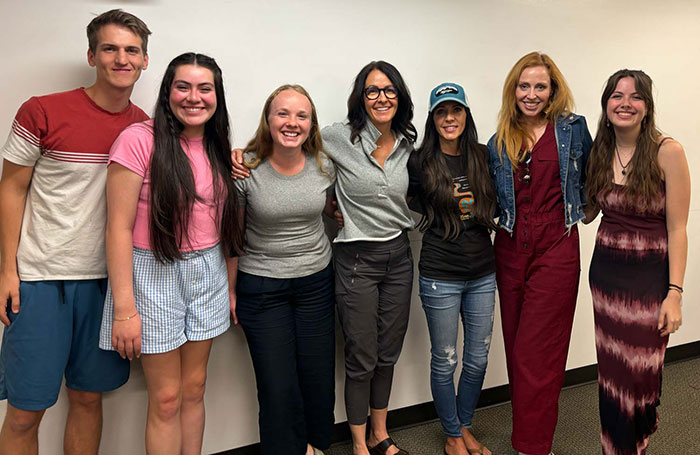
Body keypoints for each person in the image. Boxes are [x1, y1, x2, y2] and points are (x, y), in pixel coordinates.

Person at [0, 9, 150, 454]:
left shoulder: (144, 127)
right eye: (110, 48)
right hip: (40, 280)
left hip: (107, 285)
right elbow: (11, 189)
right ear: (92, 55)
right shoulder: (42, 110)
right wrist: (7, 271)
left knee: (88, 398)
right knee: (26, 410)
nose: (121, 58)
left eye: (131, 50)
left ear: (145, 61)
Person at [98, 53, 244, 454]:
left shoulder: (218, 147)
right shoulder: (138, 140)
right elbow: (117, 228)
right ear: (168, 92)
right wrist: (124, 309)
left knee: (195, 388)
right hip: (153, 272)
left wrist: (229, 289)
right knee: (165, 398)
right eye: (183, 87)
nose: (193, 97)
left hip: (209, 271)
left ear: (217, 96)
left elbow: (224, 225)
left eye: (204, 88)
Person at [487, 51, 592, 455]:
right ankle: (525, 439)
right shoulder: (500, 138)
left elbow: (599, 172)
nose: (531, 94)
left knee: (539, 351)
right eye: (524, 86)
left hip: (556, 246)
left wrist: (593, 209)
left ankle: (533, 447)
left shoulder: (571, 130)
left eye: (540, 86)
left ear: (553, 91)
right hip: (510, 247)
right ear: (514, 90)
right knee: (516, 348)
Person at [584, 69, 689, 455]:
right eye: (616, 95)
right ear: (606, 104)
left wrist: (674, 293)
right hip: (606, 283)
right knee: (613, 378)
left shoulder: (668, 151)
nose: (625, 103)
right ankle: (617, 448)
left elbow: (678, 229)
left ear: (647, 107)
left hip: (649, 286)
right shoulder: (598, 149)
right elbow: (588, 211)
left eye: (635, 96)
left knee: (642, 378)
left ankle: (637, 437)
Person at [232, 84, 336, 455]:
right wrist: (230, 291)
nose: (292, 122)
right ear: (268, 119)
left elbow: (329, 208)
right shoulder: (246, 168)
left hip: (316, 283)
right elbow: (233, 237)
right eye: (283, 113)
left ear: (311, 124)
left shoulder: (324, 165)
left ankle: (315, 446)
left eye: (301, 115)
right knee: (277, 384)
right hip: (262, 287)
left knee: (317, 376)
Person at [322, 61, 417, 455]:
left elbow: (415, 196)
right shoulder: (336, 137)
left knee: (387, 353)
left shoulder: (406, 143)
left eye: (390, 90)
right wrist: (249, 157)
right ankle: (359, 443)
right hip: (357, 259)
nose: (382, 98)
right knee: (362, 357)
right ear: (361, 98)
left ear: (400, 97)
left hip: (399, 256)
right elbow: (292, 153)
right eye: (373, 90)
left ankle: (381, 433)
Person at [408, 83, 497, 455]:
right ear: (432, 118)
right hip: (439, 275)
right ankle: (452, 435)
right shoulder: (418, 161)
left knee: (478, 358)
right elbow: (399, 199)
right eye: (441, 112)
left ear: (466, 115)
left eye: (456, 110)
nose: (449, 118)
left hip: (483, 273)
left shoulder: (482, 155)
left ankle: (463, 426)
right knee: (445, 358)